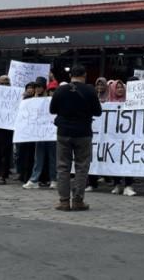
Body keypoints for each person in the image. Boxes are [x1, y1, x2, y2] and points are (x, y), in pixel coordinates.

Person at [50, 65, 102, 211]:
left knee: (62, 167)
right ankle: (78, 200)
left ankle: (64, 201)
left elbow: (52, 109)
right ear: (84, 75)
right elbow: (98, 112)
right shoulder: (90, 90)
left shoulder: (60, 90)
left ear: (70, 75)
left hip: (64, 132)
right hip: (83, 132)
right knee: (82, 166)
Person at [23, 81, 57, 190]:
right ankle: (34, 179)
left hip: (50, 132)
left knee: (52, 157)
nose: (37, 89)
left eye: (39, 87)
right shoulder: (31, 100)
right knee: (38, 157)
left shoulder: (50, 99)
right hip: (38, 133)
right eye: (36, 87)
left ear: (44, 88)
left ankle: (54, 180)